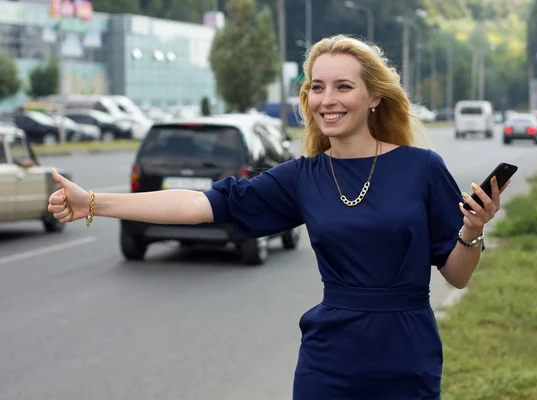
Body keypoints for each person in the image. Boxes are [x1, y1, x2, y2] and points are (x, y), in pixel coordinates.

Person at [48, 34, 510, 399]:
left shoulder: (421, 168)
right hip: (329, 363)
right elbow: (201, 204)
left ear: (374, 97)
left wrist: (471, 230)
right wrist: (95, 202)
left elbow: (457, 275)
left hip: (407, 357)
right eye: (316, 86)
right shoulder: (302, 177)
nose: (327, 99)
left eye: (343, 86)